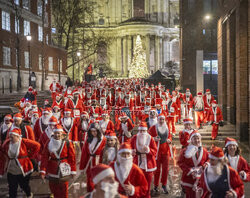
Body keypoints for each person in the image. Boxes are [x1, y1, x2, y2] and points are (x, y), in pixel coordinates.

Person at [0, 128, 40, 198]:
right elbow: (3, 152)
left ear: (18, 136)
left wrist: (30, 155)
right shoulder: (7, 143)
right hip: (11, 168)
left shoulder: (24, 141)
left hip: (23, 168)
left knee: (24, 185)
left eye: (12, 137)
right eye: (10, 136)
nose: (11, 138)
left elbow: (37, 145)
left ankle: (29, 194)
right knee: (12, 187)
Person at [40, 125, 76, 198]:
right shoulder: (49, 142)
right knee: (53, 188)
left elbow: (72, 157)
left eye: (58, 133)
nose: (57, 135)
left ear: (62, 133)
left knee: (64, 189)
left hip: (64, 167)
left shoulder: (67, 142)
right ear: (53, 133)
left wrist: (73, 170)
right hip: (52, 168)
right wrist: (43, 170)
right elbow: (45, 157)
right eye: (55, 133)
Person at [177, 131, 209, 198]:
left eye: (198, 138)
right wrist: (190, 170)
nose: (197, 140)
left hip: (200, 178)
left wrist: (204, 166)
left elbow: (209, 160)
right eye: (194, 138)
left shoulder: (205, 151)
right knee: (190, 195)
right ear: (191, 139)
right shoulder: (185, 150)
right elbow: (180, 162)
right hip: (188, 178)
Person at [130, 122, 157, 198]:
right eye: (140, 131)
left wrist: (148, 150)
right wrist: (132, 151)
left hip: (148, 164)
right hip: (137, 163)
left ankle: (147, 196)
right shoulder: (135, 137)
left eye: (143, 131)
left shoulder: (150, 138)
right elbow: (129, 147)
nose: (142, 133)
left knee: (147, 184)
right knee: (137, 183)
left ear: (146, 131)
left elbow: (155, 151)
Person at [148, 113, 172, 195]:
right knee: (157, 169)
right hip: (157, 152)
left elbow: (170, 136)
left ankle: (164, 185)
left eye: (163, 119)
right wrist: (153, 138)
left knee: (165, 169)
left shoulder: (167, 127)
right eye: (160, 119)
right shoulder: (153, 128)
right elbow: (148, 137)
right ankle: (155, 185)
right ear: (157, 120)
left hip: (165, 151)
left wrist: (169, 139)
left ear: (164, 120)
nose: (161, 121)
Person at [79, 122, 106, 192]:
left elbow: (105, 154)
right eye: (91, 131)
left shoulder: (104, 140)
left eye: (95, 131)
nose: (93, 133)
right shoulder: (88, 140)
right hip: (90, 162)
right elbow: (84, 154)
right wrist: (82, 167)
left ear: (98, 131)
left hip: (99, 162)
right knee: (90, 180)